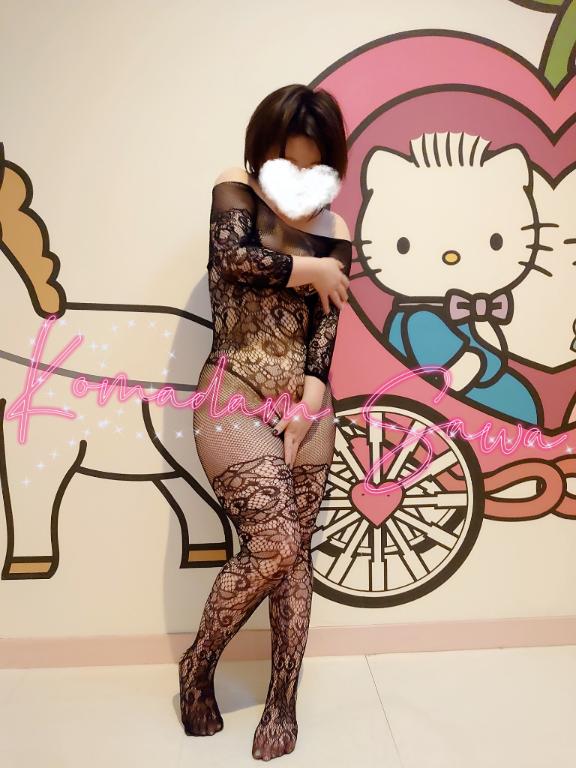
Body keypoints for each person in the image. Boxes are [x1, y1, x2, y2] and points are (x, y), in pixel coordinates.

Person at [179, 83, 352, 761]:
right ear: (261, 156)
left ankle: (283, 701)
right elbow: (235, 261)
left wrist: (308, 404)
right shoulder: (235, 190)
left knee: (296, 554)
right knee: (275, 543)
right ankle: (198, 663)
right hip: (233, 390)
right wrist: (311, 267)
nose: (300, 180)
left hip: (305, 403)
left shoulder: (336, 228)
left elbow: (323, 339)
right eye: (288, 163)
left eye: (315, 167)